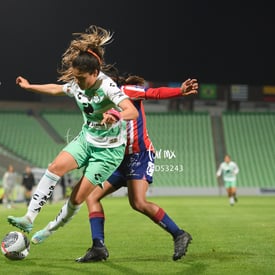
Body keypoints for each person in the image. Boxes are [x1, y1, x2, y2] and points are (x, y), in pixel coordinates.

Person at [7, 25, 139, 242]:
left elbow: (131, 110)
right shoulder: (78, 84)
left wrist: (115, 114)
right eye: (75, 78)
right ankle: (29, 218)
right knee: (55, 167)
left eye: (81, 78)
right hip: (87, 139)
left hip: (109, 151)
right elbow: (55, 88)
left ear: (95, 73)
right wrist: (30, 87)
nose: (77, 82)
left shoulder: (108, 86)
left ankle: (50, 229)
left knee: (77, 197)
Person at [72, 75, 198, 262]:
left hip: (139, 154)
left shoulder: (126, 91)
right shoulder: (99, 102)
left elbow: (153, 93)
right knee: (92, 196)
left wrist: (179, 91)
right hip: (118, 158)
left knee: (138, 202)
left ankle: (179, 234)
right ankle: (98, 246)